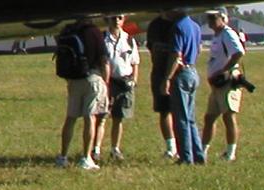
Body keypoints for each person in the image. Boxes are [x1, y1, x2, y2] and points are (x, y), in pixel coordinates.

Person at [56, 16, 109, 170]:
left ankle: (63, 156)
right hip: (92, 78)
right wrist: (105, 82)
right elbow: (104, 60)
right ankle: (86, 157)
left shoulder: (68, 30)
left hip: (73, 79)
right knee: (90, 118)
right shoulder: (94, 32)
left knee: (71, 118)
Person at [202, 9, 248, 162]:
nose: (210, 22)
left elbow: (238, 52)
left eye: (214, 18)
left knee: (228, 116)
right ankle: (203, 151)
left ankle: (230, 153)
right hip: (217, 83)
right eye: (208, 18)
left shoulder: (227, 33)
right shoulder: (217, 35)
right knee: (209, 118)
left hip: (226, 81)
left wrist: (223, 71)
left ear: (223, 18)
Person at [165, 8, 204, 164]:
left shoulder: (178, 27)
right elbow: (200, 48)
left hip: (181, 74)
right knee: (191, 118)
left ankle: (186, 157)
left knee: (181, 118)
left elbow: (176, 55)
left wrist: (167, 77)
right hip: (193, 70)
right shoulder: (195, 26)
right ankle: (199, 155)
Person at [102, 13, 138, 163]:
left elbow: (135, 62)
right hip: (109, 82)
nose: (116, 20)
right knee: (102, 117)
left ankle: (115, 148)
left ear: (124, 20)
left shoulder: (129, 39)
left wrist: (134, 80)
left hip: (125, 82)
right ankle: (96, 148)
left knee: (119, 117)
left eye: (120, 17)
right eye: (113, 18)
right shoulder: (103, 39)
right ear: (107, 20)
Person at [145, 11, 178, 158]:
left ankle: (181, 144)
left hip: (176, 73)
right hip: (159, 72)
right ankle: (171, 147)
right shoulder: (154, 25)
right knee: (164, 110)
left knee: (179, 110)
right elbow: (151, 47)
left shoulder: (178, 24)